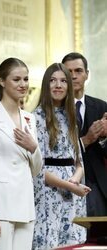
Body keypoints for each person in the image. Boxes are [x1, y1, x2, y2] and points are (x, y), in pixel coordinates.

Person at [0, 57, 42, 250]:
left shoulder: (30, 119)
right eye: (16, 79)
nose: (23, 85)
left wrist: (33, 147)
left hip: (25, 205)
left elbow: (36, 170)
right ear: (2, 81)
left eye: (25, 79)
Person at [32, 63, 91, 249]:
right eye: (53, 80)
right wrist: (69, 186)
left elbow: (79, 162)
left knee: (73, 243)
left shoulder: (71, 118)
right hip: (48, 192)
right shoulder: (36, 117)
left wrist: (74, 181)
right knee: (49, 242)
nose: (58, 85)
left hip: (73, 193)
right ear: (45, 85)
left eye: (63, 81)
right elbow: (38, 168)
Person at [62, 52, 107, 216]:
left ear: (87, 74)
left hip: (97, 185)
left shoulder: (102, 107)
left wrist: (103, 137)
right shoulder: (54, 110)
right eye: (69, 72)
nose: (73, 76)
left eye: (78, 71)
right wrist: (85, 140)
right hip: (65, 182)